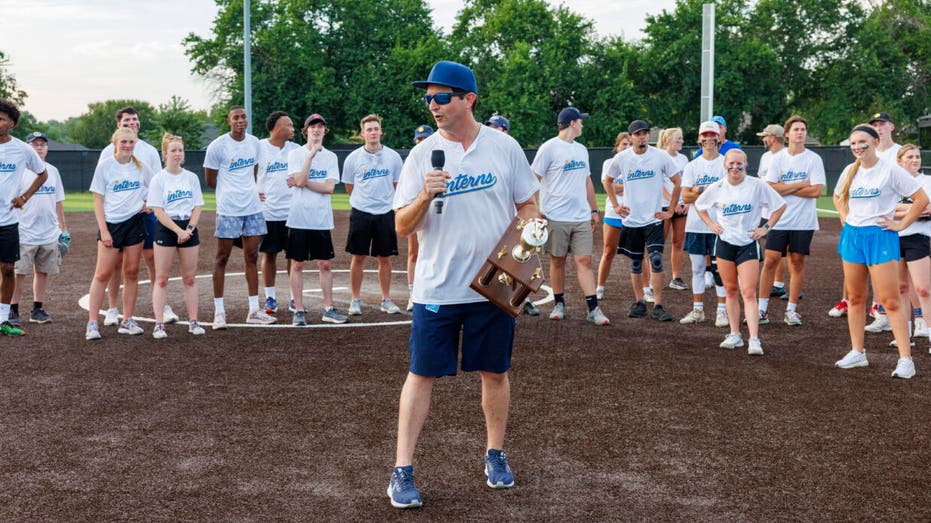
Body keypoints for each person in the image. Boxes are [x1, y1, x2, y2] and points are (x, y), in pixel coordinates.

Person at [388, 60, 541, 509]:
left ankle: (495, 455)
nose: (432, 105)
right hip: (437, 288)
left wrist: (530, 240)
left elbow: (527, 204)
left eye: (441, 97)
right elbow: (401, 225)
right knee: (421, 374)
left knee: (495, 372)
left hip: (493, 285)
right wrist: (424, 195)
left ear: (468, 99)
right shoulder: (421, 156)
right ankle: (402, 470)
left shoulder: (505, 147)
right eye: (428, 98)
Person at [832, 124, 927, 379]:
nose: (857, 147)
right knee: (855, 298)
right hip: (853, 236)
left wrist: (900, 225)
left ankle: (906, 359)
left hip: (880, 237)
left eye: (862, 142)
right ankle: (857, 352)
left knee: (891, 300)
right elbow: (838, 197)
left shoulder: (890, 170)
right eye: (853, 143)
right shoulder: (850, 170)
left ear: (875, 141)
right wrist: (844, 216)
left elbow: (921, 200)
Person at [695, 149, 786, 354]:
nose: (735, 167)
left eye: (739, 164)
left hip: (747, 243)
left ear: (746, 164)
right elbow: (700, 206)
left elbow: (780, 206)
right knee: (730, 290)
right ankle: (735, 334)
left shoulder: (756, 185)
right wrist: (711, 224)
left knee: (748, 291)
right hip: (725, 243)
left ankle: (754, 339)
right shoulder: (717, 187)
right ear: (725, 165)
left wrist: (765, 228)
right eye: (731, 163)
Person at [97, 106, 179, 327]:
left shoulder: (149, 151)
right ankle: (113, 309)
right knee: (117, 263)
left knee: (153, 258)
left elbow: (156, 181)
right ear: (118, 126)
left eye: (134, 119)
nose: (131, 123)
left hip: (145, 212)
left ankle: (163, 306)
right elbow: (102, 189)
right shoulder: (108, 152)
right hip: (119, 215)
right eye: (126, 121)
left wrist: (149, 204)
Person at [532, 107, 608, 325]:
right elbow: (533, 178)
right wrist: (534, 208)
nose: (583, 124)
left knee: (584, 260)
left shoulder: (581, 149)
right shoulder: (549, 148)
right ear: (572, 123)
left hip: (581, 216)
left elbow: (587, 181)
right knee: (558, 260)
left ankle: (593, 308)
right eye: (580, 121)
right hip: (555, 215)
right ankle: (559, 303)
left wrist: (594, 210)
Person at [204, 105, 276, 329]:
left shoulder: (254, 143)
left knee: (252, 257)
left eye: (243, 117)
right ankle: (219, 313)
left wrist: (249, 192)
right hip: (229, 209)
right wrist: (230, 193)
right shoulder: (218, 146)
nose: (240, 120)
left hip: (252, 209)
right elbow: (210, 179)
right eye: (236, 117)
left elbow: (253, 173)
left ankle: (254, 310)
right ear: (229, 121)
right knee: (221, 258)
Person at [829, 111, 905, 321]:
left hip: (884, 224)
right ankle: (851, 302)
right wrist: (844, 213)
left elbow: (911, 189)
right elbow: (839, 195)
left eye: (883, 124)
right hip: (859, 226)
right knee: (856, 273)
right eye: (875, 124)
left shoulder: (897, 154)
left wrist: (901, 218)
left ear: (891, 127)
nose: (879, 126)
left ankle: (879, 307)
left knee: (891, 280)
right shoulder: (854, 164)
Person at [606, 119, 681, 321]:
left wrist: (671, 209)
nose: (642, 137)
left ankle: (658, 305)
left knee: (656, 260)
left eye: (645, 133)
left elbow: (676, 180)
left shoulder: (660, 156)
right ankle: (639, 302)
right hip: (631, 220)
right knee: (637, 262)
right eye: (638, 134)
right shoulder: (622, 158)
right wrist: (615, 205)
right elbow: (607, 179)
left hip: (654, 219)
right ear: (630, 137)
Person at [756, 115, 825, 326]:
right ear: (787, 134)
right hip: (779, 219)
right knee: (770, 261)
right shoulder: (778, 158)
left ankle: (791, 310)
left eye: (803, 129)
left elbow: (816, 191)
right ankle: (761, 309)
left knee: (796, 262)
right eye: (796, 129)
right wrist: (800, 184)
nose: (800, 132)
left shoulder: (814, 159)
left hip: (803, 221)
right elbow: (770, 186)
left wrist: (786, 186)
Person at [85, 127, 151, 340]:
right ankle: (92, 323)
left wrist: (148, 204)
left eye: (131, 142)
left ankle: (127, 320)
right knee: (103, 273)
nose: (127, 146)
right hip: (112, 225)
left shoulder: (141, 167)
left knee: (131, 272)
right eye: (123, 142)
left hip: (135, 223)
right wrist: (104, 230)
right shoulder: (105, 166)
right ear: (115, 143)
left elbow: (157, 187)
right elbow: (97, 199)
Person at [285, 114, 349, 326]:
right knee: (297, 265)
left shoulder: (330, 157)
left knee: (325, 264)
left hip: (320, 219)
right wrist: (310, 156)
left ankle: (328, 308)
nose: (316, 130)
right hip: (299, 218)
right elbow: (300, 179)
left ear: (324, 130)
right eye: (313, 127)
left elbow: (329, 188)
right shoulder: (296, 154)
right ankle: (299, 309)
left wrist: (301, 182)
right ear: (306, 131)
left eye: (320, 126)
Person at [342, 114, 404, 316]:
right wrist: (363, 202)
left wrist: (386, 203)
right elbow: (350, 187)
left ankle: (386, 299)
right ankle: (355, 299)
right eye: (369, 129)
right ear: (362, 134)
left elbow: (397, 185)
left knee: (384, 258)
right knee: (358, 256)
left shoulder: (393, 157)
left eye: (376, 128)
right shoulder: (353, 158)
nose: (373, 132)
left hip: (385, 212)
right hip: (361, 212)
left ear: (381, 132)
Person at [147, 133, 206, 338]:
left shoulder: (191, 177)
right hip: (167, 227)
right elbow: (158, 211)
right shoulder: (159, 179)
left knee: (189, 278)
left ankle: (193, 321)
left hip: (188, 228)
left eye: (180, 150)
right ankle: (159, 324)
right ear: (165, 154)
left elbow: (197, 206)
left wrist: (188, 229)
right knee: (162, 279)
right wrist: (178, 231)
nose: (178, 153)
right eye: (173, 150)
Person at [0, 100, 49, 336]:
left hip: (7, 221)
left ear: (11, 122)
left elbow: (42, 174)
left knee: (8, 269)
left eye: (1, 118)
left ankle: (2, 320)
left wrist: (24, 197)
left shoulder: (22, 149)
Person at [484, 116, 540, 317]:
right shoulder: (483, 153)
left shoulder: (510, 151)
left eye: (497, 127)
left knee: (516, 260)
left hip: (514, 220)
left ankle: (524, 299)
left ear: (506, 130)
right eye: (489, 127)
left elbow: (528, 198)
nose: (492, 130)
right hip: (491, 220)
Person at [11, 131, 66, 326]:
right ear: (28, 149)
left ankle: (37, 309)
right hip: (24, 231)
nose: (39, 147)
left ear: (47, 148)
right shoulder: (20, 171)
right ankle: (13, 309)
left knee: (42, 271)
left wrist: (63, 228)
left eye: (42, 144)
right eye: (35, 145)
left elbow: (58, 201)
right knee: (19, 273)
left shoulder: (53, 171)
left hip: (48, 232)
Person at [679, 121, 729, 327]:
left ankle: (722, 311)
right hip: (696, 225)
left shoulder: (726, 162)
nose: (709, 140)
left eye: (712, 136)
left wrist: (699, 189)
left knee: (721, 271)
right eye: (705, 136)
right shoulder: (692, 166)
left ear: (719, 138)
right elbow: (685, 196)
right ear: (699, 139)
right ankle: (697, 310)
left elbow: (728, 193)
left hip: (720, 225)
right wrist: (707, 190)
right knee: (698, 268)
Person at [257, 111, 300, 315]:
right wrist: (253, 192)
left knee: (293, 256)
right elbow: (248, 174)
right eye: (289, 125)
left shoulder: (296, 150)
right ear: (277, 128)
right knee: (270, 254)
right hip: (269, 213)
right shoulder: (259, 148)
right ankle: (270, 298)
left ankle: (294, 298)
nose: (293, 128)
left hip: (292, 213)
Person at [892, 145, 931, 350]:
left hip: (918, 238)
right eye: (910, 157)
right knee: (900, 288)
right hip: (893, 236)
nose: (915, 160)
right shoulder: (893, 182)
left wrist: (900, 211)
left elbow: (929, 208)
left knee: (924, 289)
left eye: (917, 156)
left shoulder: (927, 181)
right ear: (900, 161)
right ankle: (905, 335)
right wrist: (916, 208)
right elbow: (886, 210)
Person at [755, 124, 790, 299]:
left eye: (765, 136)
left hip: (779, 210)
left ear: (773, 138)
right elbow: (763, 180)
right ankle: (776, 283)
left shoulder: (786, 156)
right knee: (768, 245)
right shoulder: (765, 156)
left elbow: (778, 184)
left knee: (778, 250)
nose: (763, 139)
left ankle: (779, 284)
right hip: (764, 209)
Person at [596, 132, 632, 299]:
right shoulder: (609, 163)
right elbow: (607, 186)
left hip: (633, 213)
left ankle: (646, 289)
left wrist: (618, 186)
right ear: (617, 146)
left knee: (638, 253)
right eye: (624, 144)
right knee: (609, 251)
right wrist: (627, 186)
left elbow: (615, 186)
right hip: (613, 211)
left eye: (629, 144)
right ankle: (600, 287)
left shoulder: (636, 163)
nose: (627, 147)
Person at [405, 124, 434, 312]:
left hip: (437, 213)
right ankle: (412, 292)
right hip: (417, 209)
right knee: (414, 252)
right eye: (419, 139)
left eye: (425, 139)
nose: (422, 142)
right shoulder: (412, 160)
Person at [657, 127, 689, 290]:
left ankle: (676, 278)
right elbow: (660, 184)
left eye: (681, 138)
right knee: (658, 243)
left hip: (681, 206)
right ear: (668, 140)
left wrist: (687, 202)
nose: (682, 141)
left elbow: (687, 182)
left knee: (678, 242)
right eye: (678, 139)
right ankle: (653, 279)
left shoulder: (683, 159)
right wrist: (673, 203)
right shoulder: (659, 156)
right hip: (664, 204)